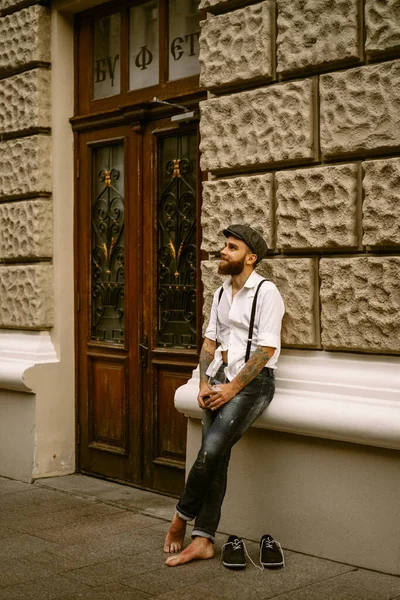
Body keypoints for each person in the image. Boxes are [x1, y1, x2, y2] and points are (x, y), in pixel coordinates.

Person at [164, 224, 285, 567]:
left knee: (210, 452)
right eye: (225, 246)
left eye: (231, 247)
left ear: (250, 258)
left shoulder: (266, 293)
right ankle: (203, 540)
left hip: (252, 385)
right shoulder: (219, 294)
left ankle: (179, 520)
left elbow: (266, 348)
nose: (223, 251)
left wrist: (233, 387)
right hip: (217, 382)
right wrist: (204, 382)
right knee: (215, 460)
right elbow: (210, 342)